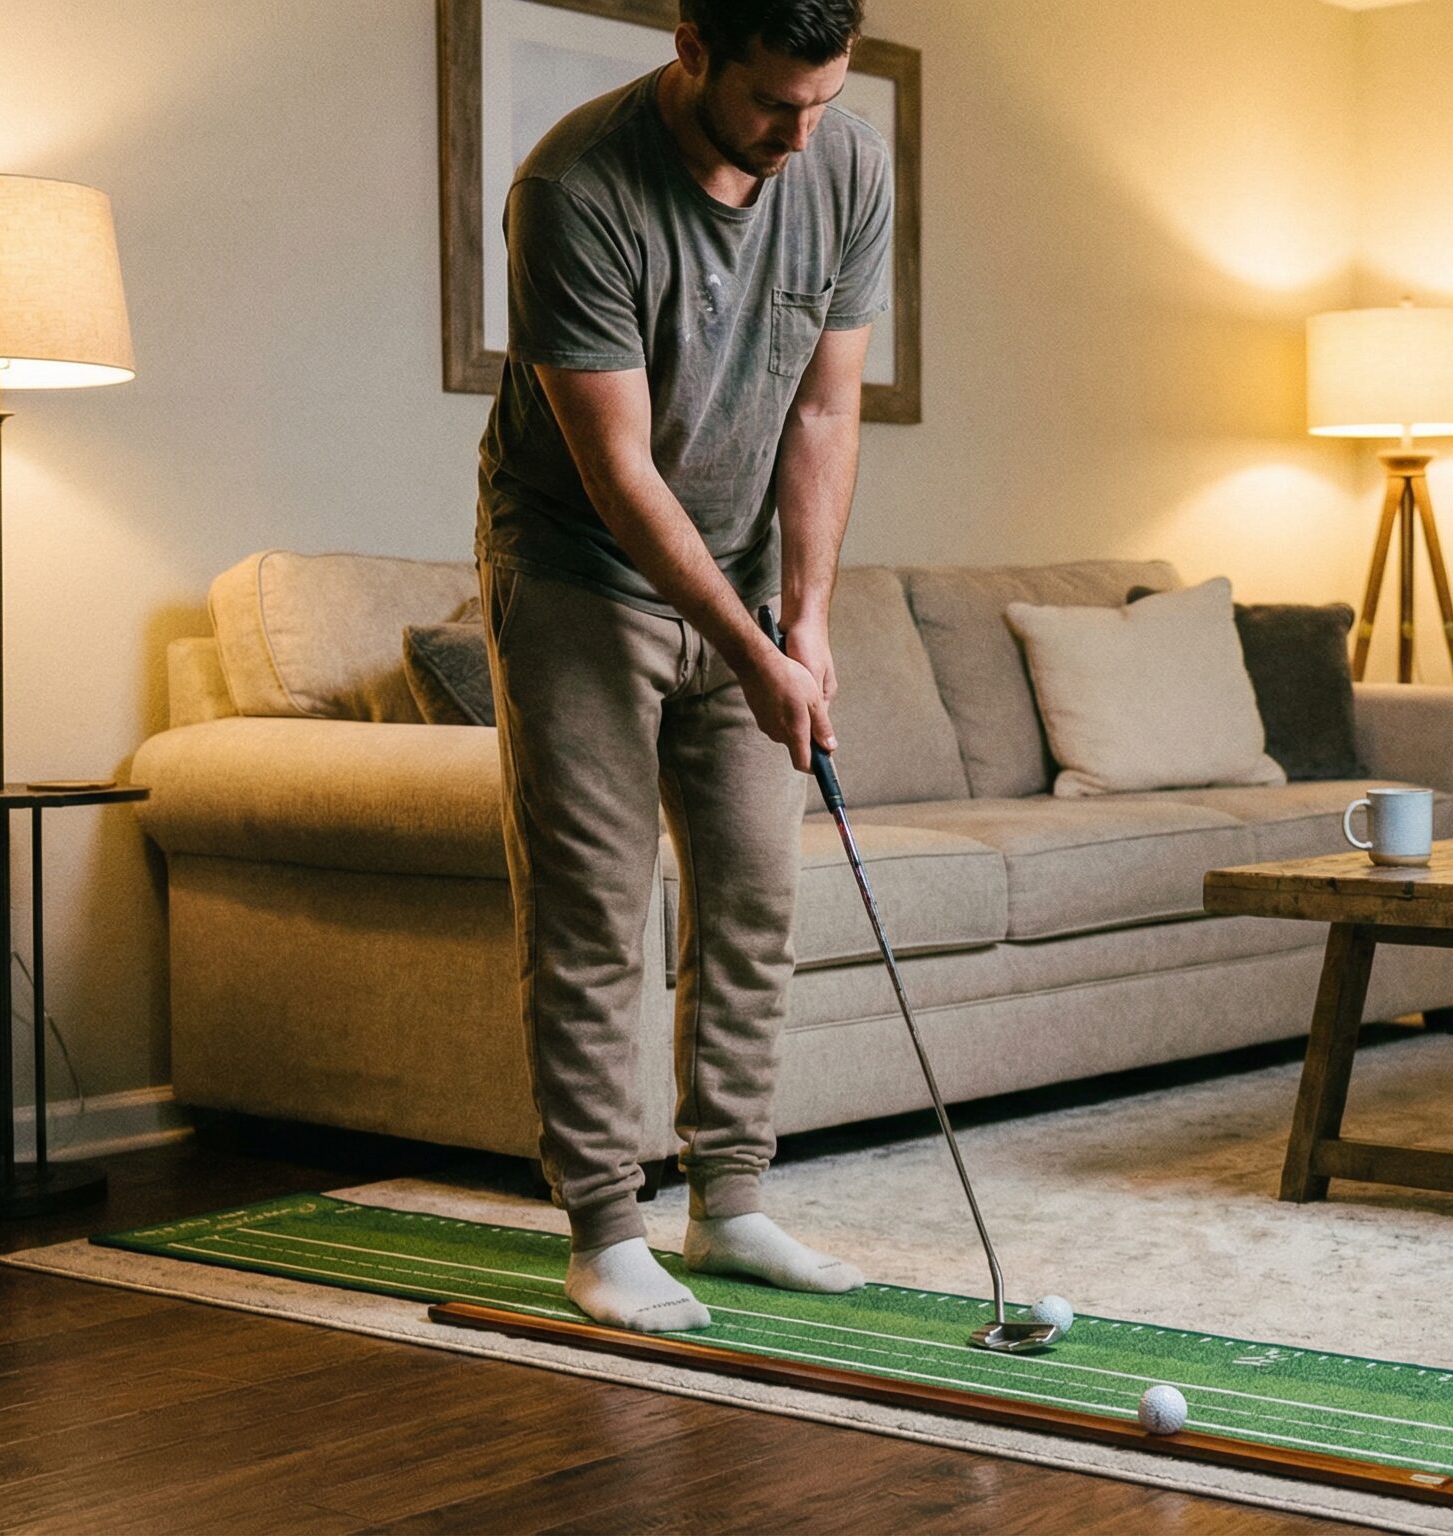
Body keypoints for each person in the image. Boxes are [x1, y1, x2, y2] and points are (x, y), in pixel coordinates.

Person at [475, 0, 893, 1332]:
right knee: (599, 910)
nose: (802, 132)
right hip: (584, 574)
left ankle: (732, 1207)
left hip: (748, 570)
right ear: (693, 49)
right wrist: (745, 644)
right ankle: (607, 1234)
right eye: (777, 101)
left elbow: (826, 407)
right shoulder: (574, 187)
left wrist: (806, 621)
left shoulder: (845, 162)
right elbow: (615, 471)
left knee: (756, 899)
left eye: (823, 99)